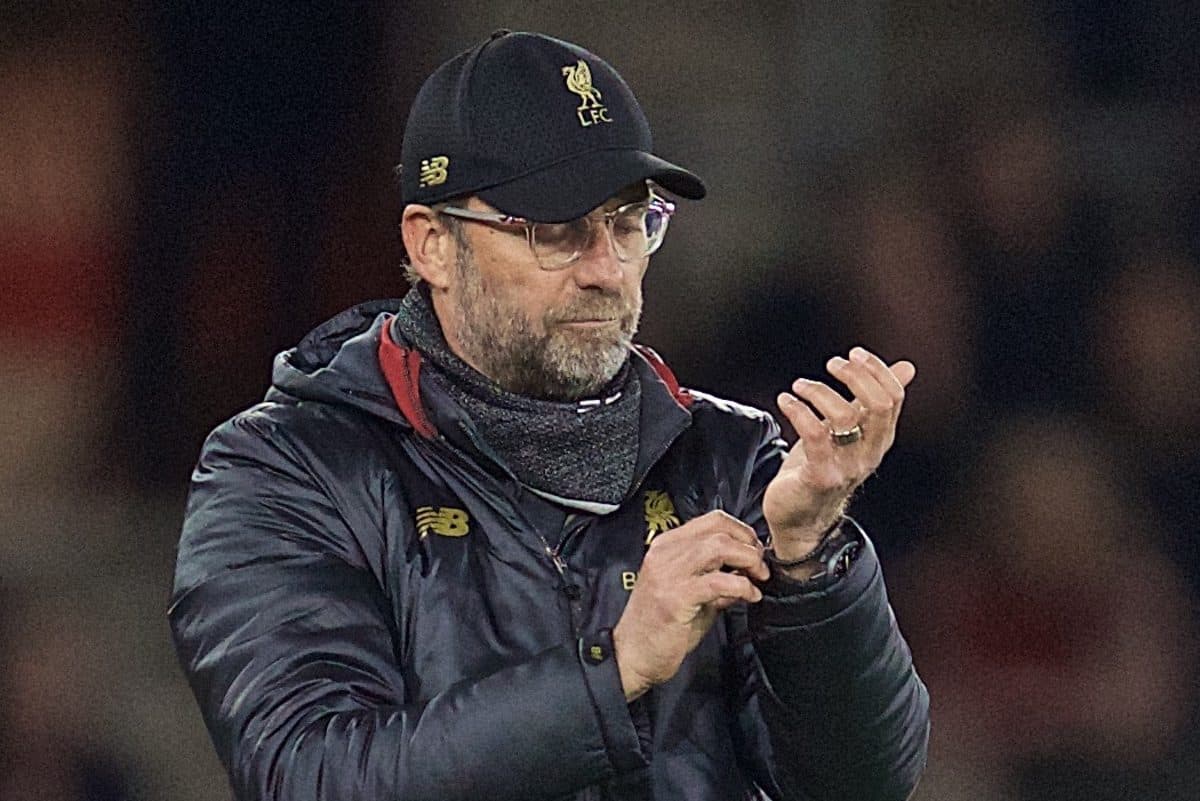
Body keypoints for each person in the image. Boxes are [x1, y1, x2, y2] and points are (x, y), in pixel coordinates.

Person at [169, 30, 929, 801]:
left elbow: (862, 781)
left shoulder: (730, 459)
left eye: (630, 223)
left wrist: (811, 563)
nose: (606, 270)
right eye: (556, 231)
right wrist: (615, 666)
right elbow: (310, 777)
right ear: (431, 244)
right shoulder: (287, 469)